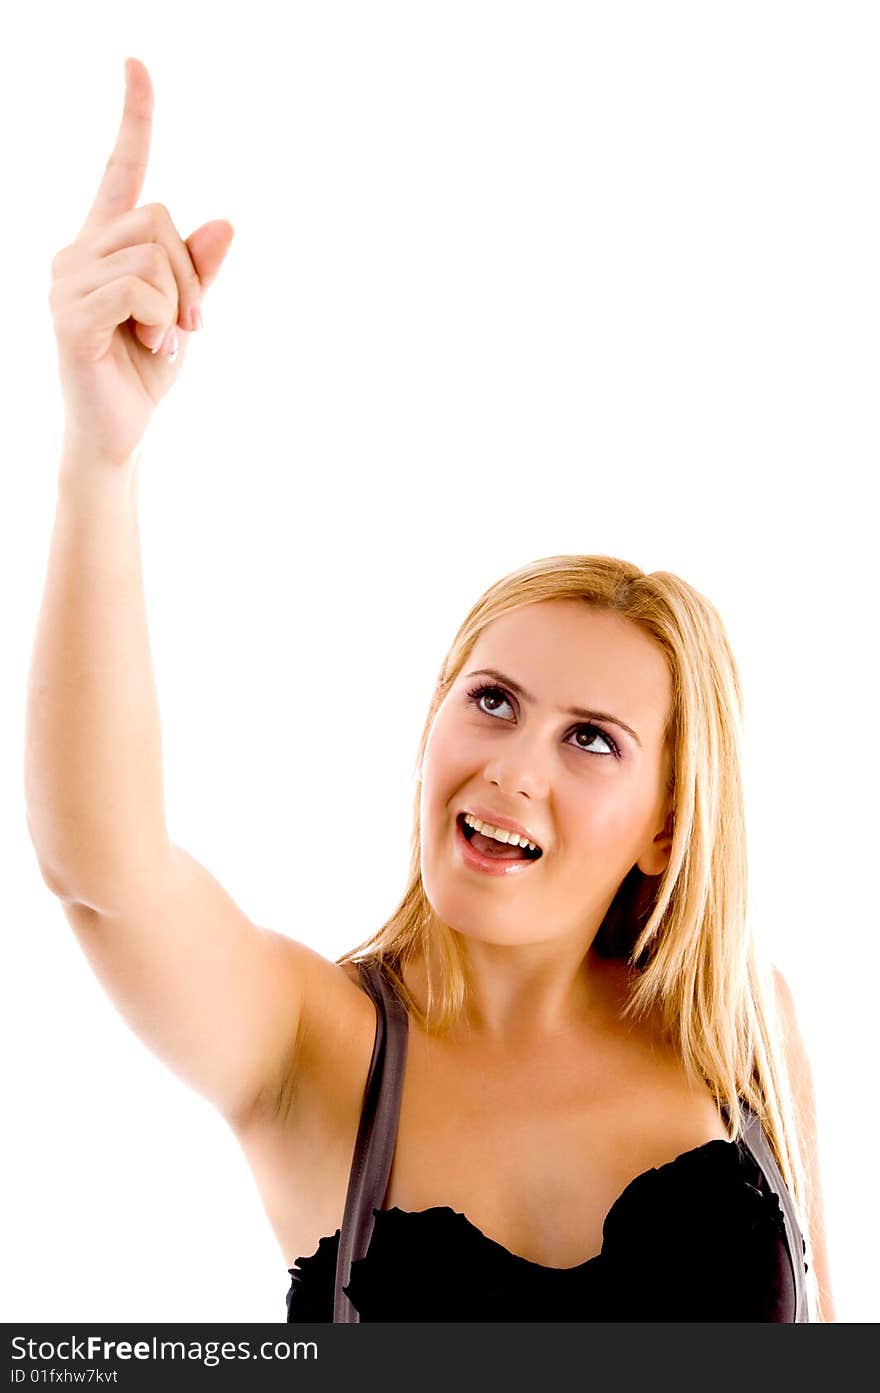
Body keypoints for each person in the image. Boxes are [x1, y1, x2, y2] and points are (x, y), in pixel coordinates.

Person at [26, 56, 835, 1323]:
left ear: (671, 822)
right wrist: (98, 453)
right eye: (496, 702)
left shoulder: (739, 1032)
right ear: (432, 727)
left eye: (592, 740)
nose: (515, 766)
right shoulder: (311, 1046)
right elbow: (102, 867)